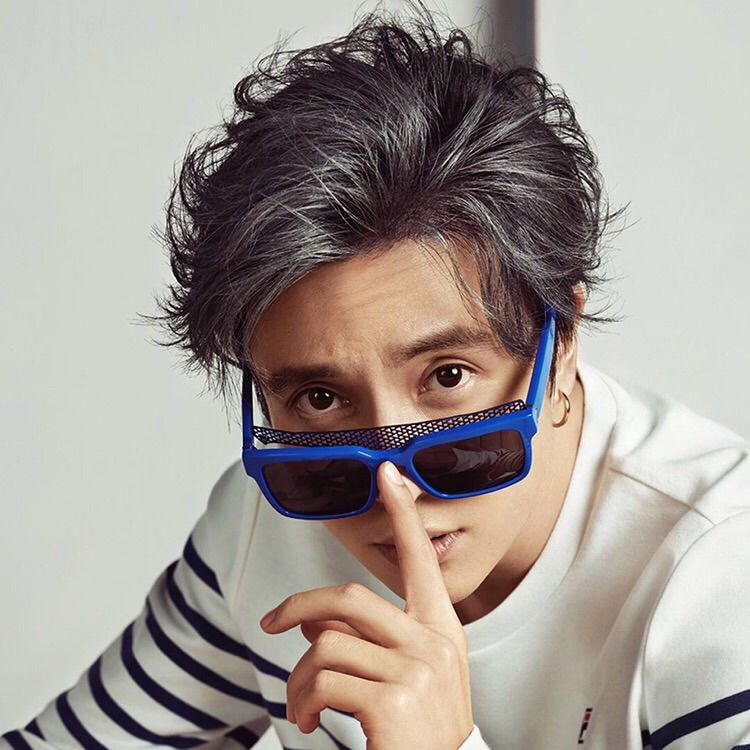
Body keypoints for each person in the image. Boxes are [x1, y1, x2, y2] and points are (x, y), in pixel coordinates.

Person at [3, 2, 749, 749]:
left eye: (447, 376)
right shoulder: (264, 528)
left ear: (564, 345)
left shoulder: (718, 575)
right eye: (320, 398)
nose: (394, 483)